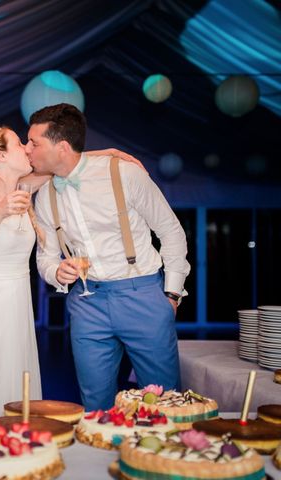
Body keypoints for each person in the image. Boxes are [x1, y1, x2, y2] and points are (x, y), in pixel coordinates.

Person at [0, 124, 140, 412]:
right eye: (19, 144)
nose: (26, 148)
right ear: (0, 156)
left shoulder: (26, 188)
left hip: (18, 309)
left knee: (14, 393)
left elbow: (67, 162)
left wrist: (107, 152)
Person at [28, 103, 190, 411]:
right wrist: (55, 272)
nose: (27, 150)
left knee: (165, 402)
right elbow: (44, 257)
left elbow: (171, 231)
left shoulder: (125, 173)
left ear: (61, 147)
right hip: (87, 304)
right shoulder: (45, 195)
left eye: (34, 143)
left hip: (142, 293)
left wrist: (172, 292)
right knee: (95, 406)